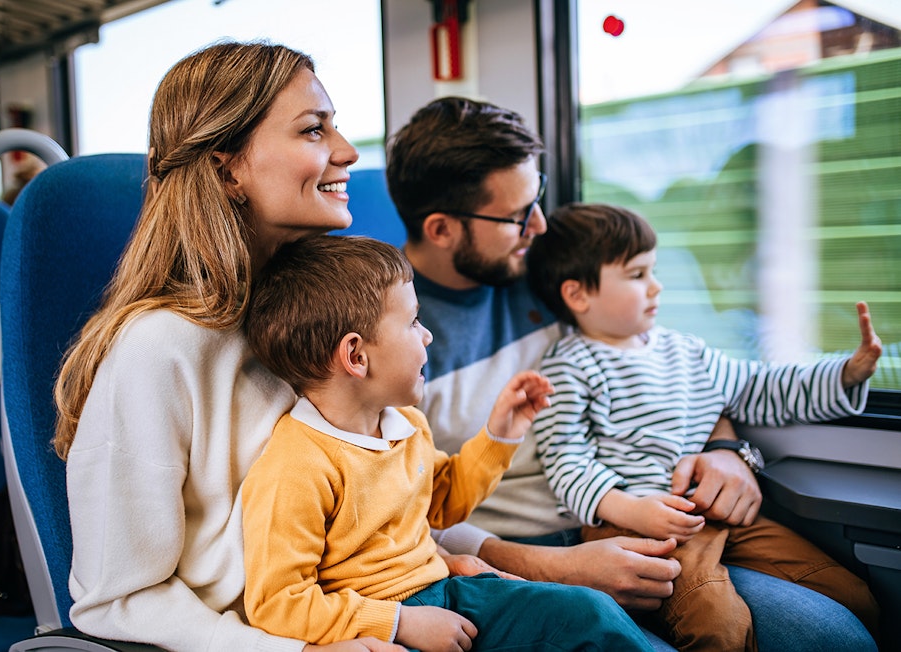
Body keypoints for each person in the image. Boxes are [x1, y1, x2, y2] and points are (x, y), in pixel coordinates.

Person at [383, 95, 879, 651]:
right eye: (519, 214)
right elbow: (399, 512)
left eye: (537, 196)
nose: (539, 225)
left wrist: (726, 450)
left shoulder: (552, 269)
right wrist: (555, 566)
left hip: (648, 510)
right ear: (442, 229)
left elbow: (664, 365)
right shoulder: (390, 332)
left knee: (837, 634)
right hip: (519, 553)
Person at [51, 41, 407, 652]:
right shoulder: (157, 352)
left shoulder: (316, 321)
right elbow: (119, 599)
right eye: (314, 130)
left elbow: (380, 498)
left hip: (378, 606)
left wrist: (498, 560)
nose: (348, 151)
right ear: (226, 171)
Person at [240, 234, 653, 651]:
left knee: (590, 612)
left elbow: (444, 502)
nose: (427, 336)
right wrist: (399, 623)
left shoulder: (406, 424)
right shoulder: (296, 466)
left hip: (448, 590)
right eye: (412, 322)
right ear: (357, 356)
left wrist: (499, 436)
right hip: (379, 624)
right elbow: (278, 603)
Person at [526, 201, 881, 650]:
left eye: (653, 271)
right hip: (637, 527)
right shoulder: (569, 367)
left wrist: (845, 374)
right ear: (578, 296)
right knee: (718, 625)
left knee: (849, 592)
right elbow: (565, 460)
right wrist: (632, 510)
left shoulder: (686, 352)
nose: (656, 286)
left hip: (711, 512)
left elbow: (760, 387)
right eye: (637, 275)